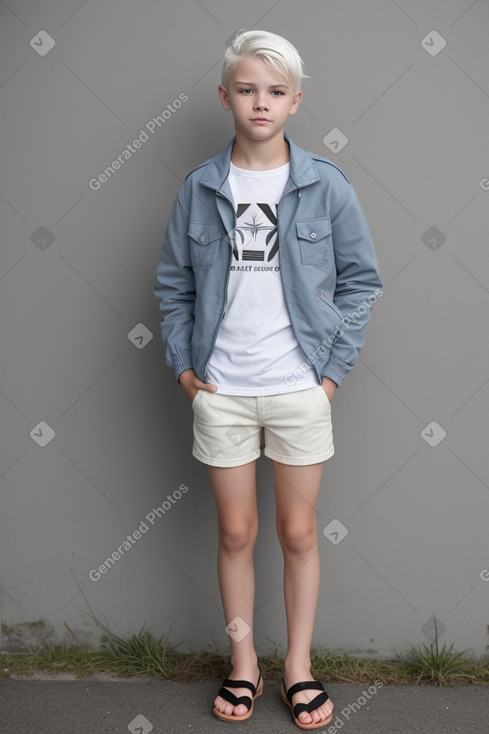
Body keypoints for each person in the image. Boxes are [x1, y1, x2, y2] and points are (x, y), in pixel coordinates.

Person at [154, 29, 383, 729]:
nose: (260, 102)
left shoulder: (324, 184)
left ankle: (298, 668)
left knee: (298, 533)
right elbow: (173, 286)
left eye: (275, 92)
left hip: (297, 390)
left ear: (295, 102)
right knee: (234, 532)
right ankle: (243, 664)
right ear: (226, 97)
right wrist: (187, 372)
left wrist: (329, 379)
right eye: (247, 89)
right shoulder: (200, 188)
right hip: (222, 390)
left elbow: (360, 283)